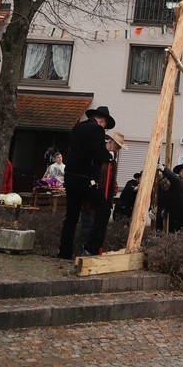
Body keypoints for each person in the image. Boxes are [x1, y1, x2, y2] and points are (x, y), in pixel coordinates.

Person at [57, 104, 115, 259]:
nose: (105, 130)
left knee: (71, 216)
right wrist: (109, 155)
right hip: (86, 179)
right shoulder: (96, 130)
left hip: (70, 177)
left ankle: (64, 251)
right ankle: (92, 248)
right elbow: (98, 153)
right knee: (103, 210)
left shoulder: (78, 128)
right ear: (102, 121)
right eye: (105, 127)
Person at [79, 130, 124, 254]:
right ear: (109, 143)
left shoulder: (112, 162)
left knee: (99, 227)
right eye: (115, 147)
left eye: (118, 149)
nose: (116, 151)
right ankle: (84, 251)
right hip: (92, 200)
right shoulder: (99, 157)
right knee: (87, 226)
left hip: (104, 201)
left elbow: (110, 179)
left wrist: (113, 188)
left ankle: (93, 250)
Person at [156, 164, 183, 231]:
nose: (164, 185)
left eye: (166, 182)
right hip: (179, 214)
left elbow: (175, 178)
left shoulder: (180, 184)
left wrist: (164, 169)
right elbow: (161, 204)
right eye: (162, 184)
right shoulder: (165, 193)